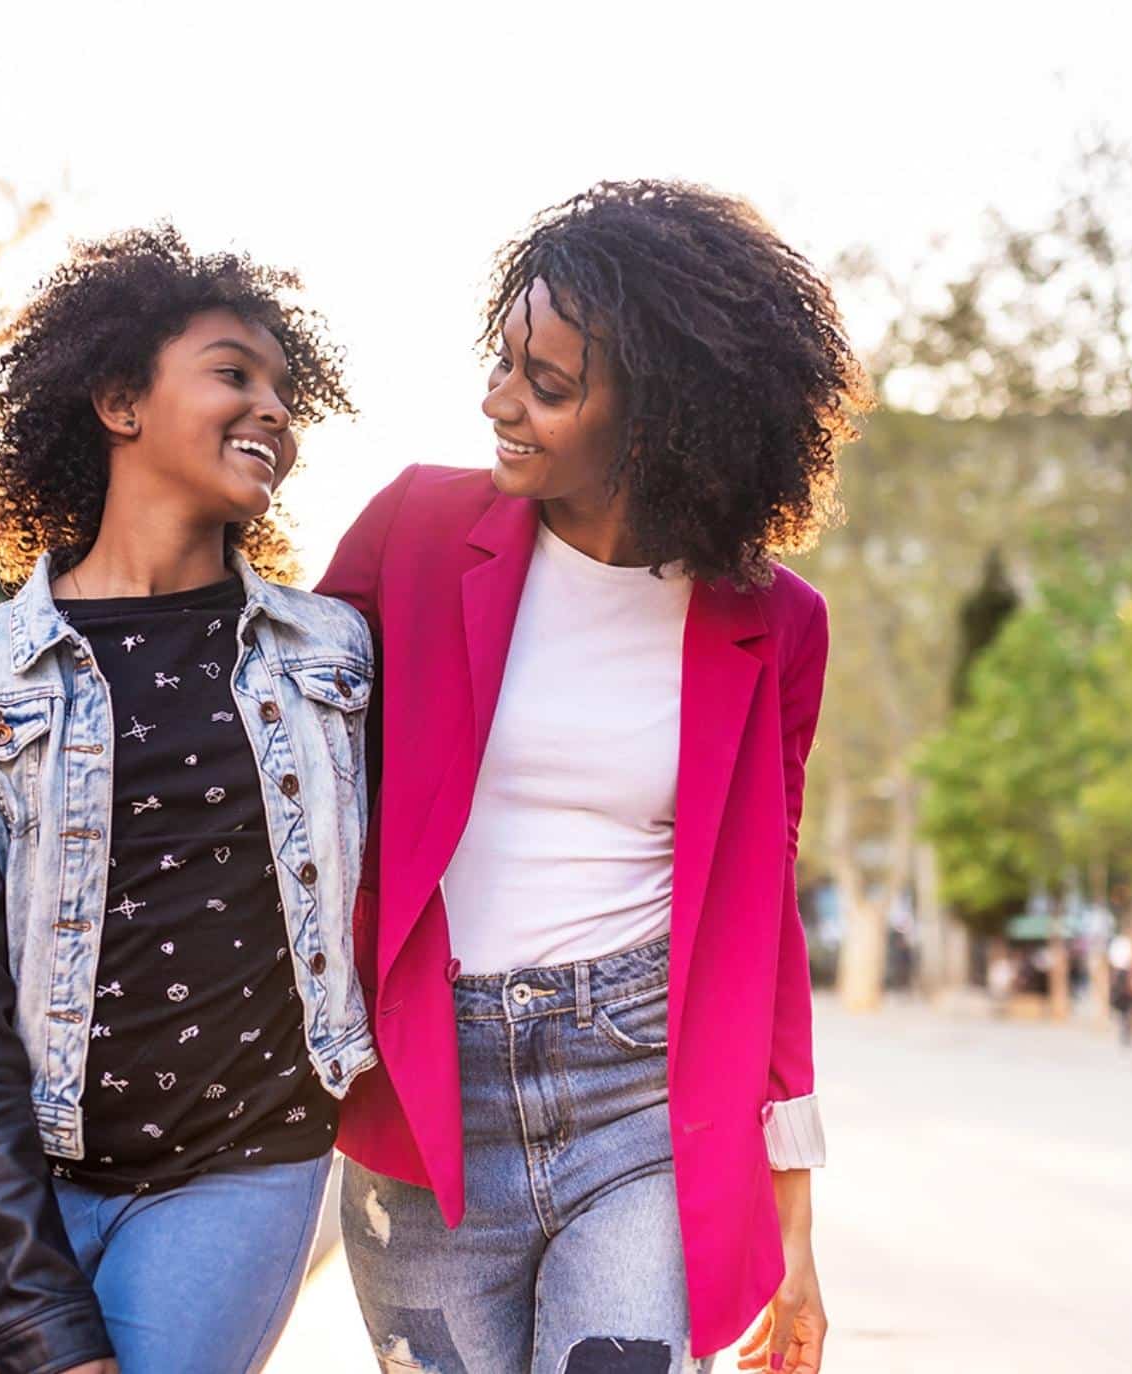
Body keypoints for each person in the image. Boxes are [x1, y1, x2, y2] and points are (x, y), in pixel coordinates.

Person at [319, 181, 869, 1374]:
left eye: (547, 384)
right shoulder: (410, 531)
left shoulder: (773, 627)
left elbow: (758, 925)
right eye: (502, 362)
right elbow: (284, 768)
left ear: (660, 420)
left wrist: (793, 1226)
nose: (498, 401)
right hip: (426, 1103)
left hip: (641, 1106)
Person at [0, 228, 375, 1374]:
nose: (273, 411)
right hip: (41, 1174)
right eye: (232, 374)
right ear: (119, 399)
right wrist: (34, 1321)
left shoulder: (333, 657)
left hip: (242, 1165)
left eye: (284, 390)